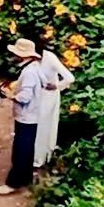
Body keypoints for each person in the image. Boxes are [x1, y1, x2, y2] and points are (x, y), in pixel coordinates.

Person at [0, 38, 44, 195]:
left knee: (21, 149)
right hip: (33, 115)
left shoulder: (29, 72)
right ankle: (26, 177)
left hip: (27, 115)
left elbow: (25, 97)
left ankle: (13, 183)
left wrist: (10, 95)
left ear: (22, 55)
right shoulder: (35, 68)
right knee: (27, 148)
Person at [33, 42, 75, 170]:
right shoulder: (32, 60)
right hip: (37, 95)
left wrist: (57, 86)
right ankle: (30, 154)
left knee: (43, 127)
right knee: (33, 124)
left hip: (48, 97)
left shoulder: (50, 58)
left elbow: (70, 77)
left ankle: (38, 160)